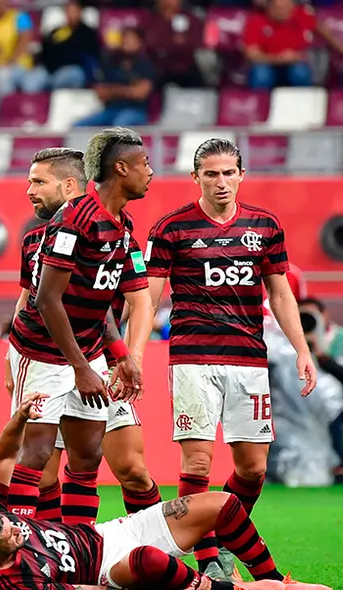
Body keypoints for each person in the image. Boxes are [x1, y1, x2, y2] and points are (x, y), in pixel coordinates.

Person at [145, 138, 317, 581]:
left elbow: (280, 293)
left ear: (241, 175)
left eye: (228, 173)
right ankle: (210, 564)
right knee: (198, 465)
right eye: (211, 174)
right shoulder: (171, 228)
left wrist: (302, 349)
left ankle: (219, 533)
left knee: (253, 468)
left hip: (248, 361)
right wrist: (132, 352)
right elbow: (148, 296)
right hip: (193, 359)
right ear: (195, 177)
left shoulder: (265, 226)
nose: (220, 182)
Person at [0, 392, 330, 590]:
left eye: (8, 521)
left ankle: (277, 581)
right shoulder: (16, 582)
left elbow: (1, 458)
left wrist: (18, 418)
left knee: (224, 505)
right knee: (147, 560)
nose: (17, 526)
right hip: (102, 574)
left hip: (107, 534)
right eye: (10, 533)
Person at [5, 128, 153, 527]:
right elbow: (45, 299)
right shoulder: (71, 223)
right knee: (37, 458)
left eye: (37, 181)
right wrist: (82, 368)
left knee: (88, 458)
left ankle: (79, 553)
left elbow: (101, 305)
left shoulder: (123, 228)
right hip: (44, 353)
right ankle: (25, 556)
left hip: (91, 354)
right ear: (121, 169)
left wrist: (122, 356)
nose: (151, 172)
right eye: (144, 165)